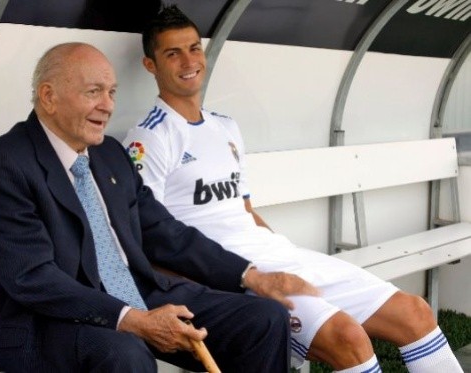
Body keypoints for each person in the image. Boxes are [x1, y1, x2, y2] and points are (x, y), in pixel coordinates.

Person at [122, 4, 464, 373]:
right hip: (233, 274)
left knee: (414, 312)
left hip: (279, 256)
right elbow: (148, 235)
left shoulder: (225, 126)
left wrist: (282, 250)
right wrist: (210, 292)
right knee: (347, 339)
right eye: (172, 53)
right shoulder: (150, 137)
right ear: (151, 66)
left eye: (193, 48)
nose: (188, 60)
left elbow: (246, 210)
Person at [0, 41, 300, 373]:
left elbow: (164, 231)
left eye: (112, 92)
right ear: (49, 96)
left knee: (263, 319)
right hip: (48, 320)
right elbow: (31, 277)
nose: (107, 105)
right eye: (94, 92)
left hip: (137, 293)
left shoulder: (109, 153)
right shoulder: (5, 163)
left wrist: (248, 275)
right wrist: (132, 320)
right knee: (125, 352)